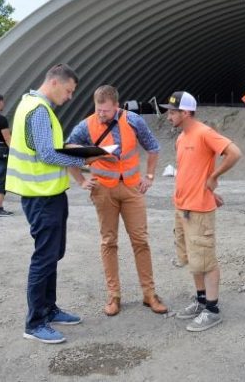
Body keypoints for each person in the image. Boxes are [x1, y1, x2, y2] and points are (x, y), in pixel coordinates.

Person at [6, 63, 104, 344]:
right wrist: (84, 160)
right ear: (55, 83)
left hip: (48, 193)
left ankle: (49, 309)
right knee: (44, 257)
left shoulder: (33, 105)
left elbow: (49, 150)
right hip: (41, 196)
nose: (70, 97)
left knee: (52, 254)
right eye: (69, 91)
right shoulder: (38, 110)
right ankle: (35, 322)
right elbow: (48, 155)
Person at [66, 85, 168, 317]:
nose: (101, 114)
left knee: (140, 240)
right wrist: (81, 180)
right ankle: (114, 296)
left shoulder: (133, 121)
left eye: (106, 111)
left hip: (132, 188)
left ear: (117, 106)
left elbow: (153, 148)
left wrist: (149, 176)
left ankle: (149, 294)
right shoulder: (86, 125)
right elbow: (67, 152)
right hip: (103, 191)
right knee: (108, 242)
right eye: (98, 110)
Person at [160, 91, 242, 332]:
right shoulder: (181, 138)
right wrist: (209, 189)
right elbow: (192, 171)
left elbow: (234, 153)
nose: (168, 116)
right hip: (183, 207)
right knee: (193, 260)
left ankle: (212, 310)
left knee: (206, 260)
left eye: (173, 112)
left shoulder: (204, 133)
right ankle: (201, 301)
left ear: (185, 113)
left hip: (198, 210)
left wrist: (215, 177)